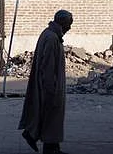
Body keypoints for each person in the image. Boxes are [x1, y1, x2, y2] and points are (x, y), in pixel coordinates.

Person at [19, 9, 73, 154]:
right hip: (51, 85)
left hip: (53, 84)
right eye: (69, 24)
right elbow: (48, 65)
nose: (70, 27)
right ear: (62, 22)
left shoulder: (51, 35)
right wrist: (50, 88)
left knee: (52, 117)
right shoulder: (51, 38)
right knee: (50, 115)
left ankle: (52, 145)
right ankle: (44, 143)